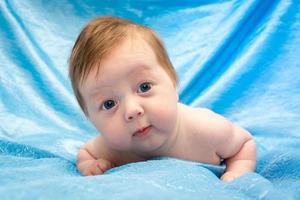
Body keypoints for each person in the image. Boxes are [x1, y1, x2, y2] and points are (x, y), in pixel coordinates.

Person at [69, 16, 256, 182]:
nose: (132, 110)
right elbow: (85, 153)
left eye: (144, 87)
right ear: (91, 119)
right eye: (109, 104)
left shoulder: (207, 130)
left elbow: (244, 143)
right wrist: (89, 165)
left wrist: (238, 171)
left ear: (173, 83)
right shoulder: (110, 147)